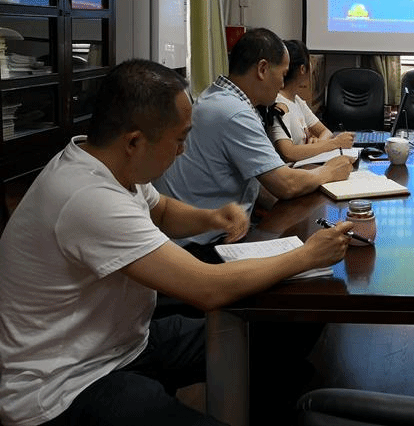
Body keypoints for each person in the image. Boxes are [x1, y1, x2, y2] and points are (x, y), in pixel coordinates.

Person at [0, 60, 353, 426]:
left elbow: (162, 211)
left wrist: (211, 217)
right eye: (180, 139)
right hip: (65, 385)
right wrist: (306, 255)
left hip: (121, 343)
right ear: (134, 141)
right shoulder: (88, 197)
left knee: (276, 330)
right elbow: (206, 289)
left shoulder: (111, 164)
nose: (183, 150)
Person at [154, 28, 353, 250]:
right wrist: (329, 171)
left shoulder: (221, 97)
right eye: (282, 74)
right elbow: (285, 184)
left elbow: (264, 182)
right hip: (201, 244)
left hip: (205, 233)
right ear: (262, 69)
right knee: (316, 253)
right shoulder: (234, 111)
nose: (282, 84)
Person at [266, 39, 354, 163]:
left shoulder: (296, 100)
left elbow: (325, 131)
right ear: (302, 69)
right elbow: (288, 153)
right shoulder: (278, 104)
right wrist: (334, 143)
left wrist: (317, 144)